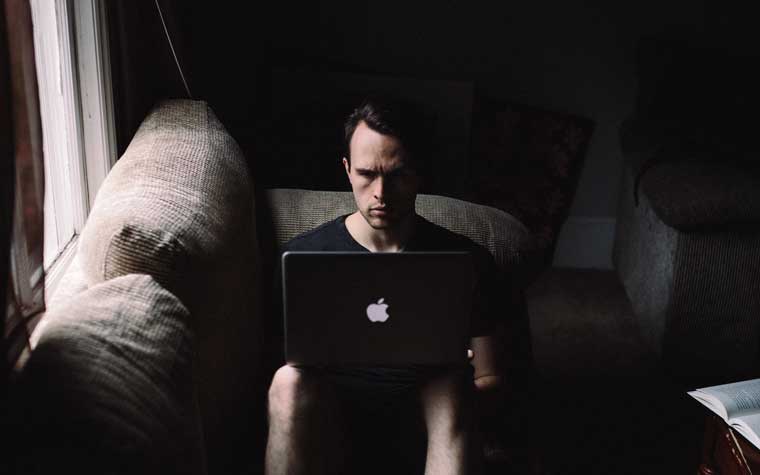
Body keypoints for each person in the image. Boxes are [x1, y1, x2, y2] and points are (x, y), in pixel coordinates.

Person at [265, 97, 506, 475]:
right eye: (366, 174)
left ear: (419, 173)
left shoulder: (465, 262)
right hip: (333, 426)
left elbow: (490, 376)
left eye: (397, 175)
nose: (380, 191)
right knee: (287, 380)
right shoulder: (300, 260)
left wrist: (463, 374)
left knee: (453, 384)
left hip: (426, 425)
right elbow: (272, 369)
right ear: (346, 169)